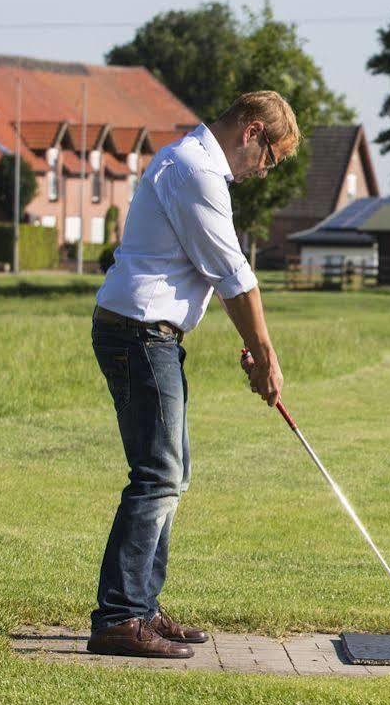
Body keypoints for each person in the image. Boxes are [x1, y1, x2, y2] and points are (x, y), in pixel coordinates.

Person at [85, 91, 299, 658]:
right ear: (253, 132)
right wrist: (266, 357)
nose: (263, 172)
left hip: (149, 332)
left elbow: (220, 275)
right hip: (138, 331)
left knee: (170, 474)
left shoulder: (190, 166)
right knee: (157, 474)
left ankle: (142, 608)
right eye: (270, 158)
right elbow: (235, 276)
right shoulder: (195, 172)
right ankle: (119, 618)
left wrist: (257, 350)